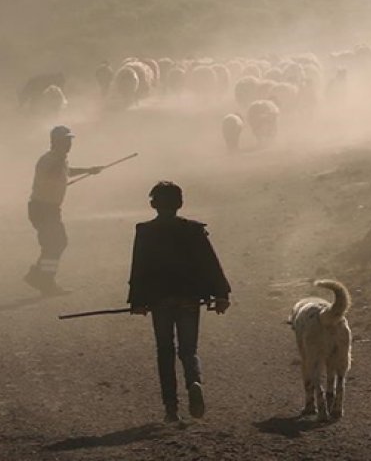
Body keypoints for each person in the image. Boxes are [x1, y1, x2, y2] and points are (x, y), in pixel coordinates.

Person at [127, 181, 231, 423]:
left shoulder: (145, 231)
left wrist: (137, 301)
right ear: (180, 203)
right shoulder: (194, 230)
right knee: (188, 350)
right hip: (189, 298)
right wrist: (222, 294)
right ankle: (194, 381)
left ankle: (171, 408)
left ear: (153, 204)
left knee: (165, 351)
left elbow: (139, 268)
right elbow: (210, 263)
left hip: (159, 301)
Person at [24, 125, 102, 295]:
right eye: (65, 141)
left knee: (54, 244)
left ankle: (40, 276)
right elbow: (54, 175)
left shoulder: (58, 159)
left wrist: (89, 170)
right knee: (55, 243)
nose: (69, 145)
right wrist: (61, 174)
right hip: (43, 208)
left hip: (47, 208)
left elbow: (67, 172)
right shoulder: (51, 160)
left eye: (69, 141)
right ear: (55, 142)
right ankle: (44, 279)